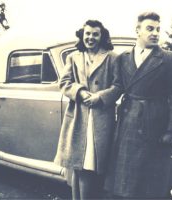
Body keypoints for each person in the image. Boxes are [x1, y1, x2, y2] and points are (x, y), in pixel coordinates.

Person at [104, 12, 172, 198]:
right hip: (128, 121)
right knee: (125, 179)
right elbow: (117, 87)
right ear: (137, 30)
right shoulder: (123, 58)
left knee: (151, 184)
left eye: (158, 29)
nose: (155, 33)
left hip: (155, 123)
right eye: (150, 28)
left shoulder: (170, 59)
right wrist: (98, 98)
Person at [54, 20, 121, 199]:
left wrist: (100, 96)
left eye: (95, 34)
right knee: (79, 165)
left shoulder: (112, 57)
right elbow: (64, 83)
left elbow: (118, 85)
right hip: (79, 118)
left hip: (101, 119)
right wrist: (81, 92)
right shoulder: (74, 57)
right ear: (82, 36)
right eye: (88, 34)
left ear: (102, 36)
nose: (91, 38)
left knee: (94, 166)